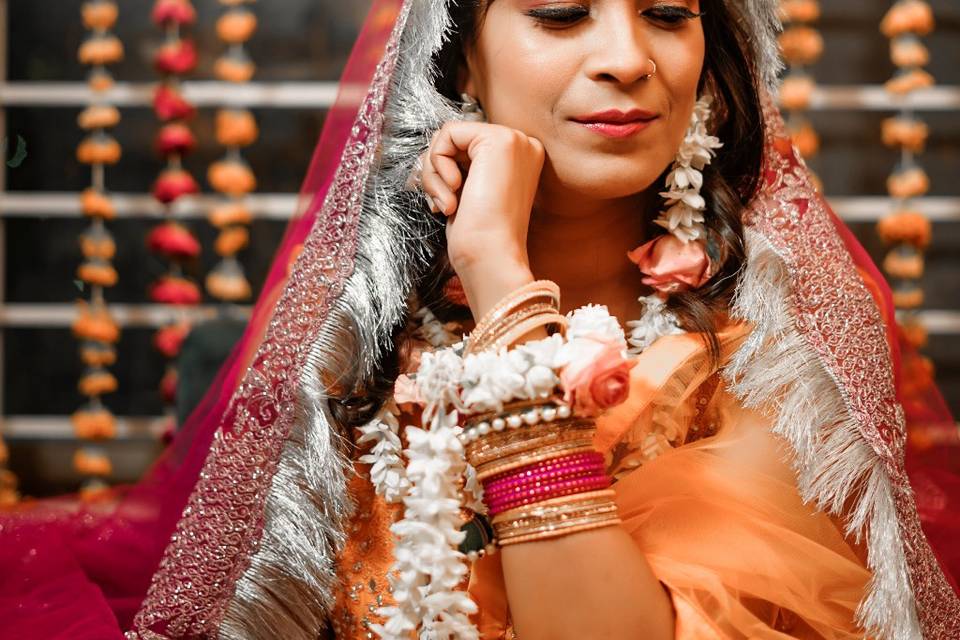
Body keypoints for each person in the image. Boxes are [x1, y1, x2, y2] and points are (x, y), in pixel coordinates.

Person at [2, 1, 959, 639]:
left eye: (668, 14)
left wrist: (502, 281)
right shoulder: (358, 333)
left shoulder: (785, 362)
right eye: (559, 12)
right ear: (455, 53)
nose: (629, 58)